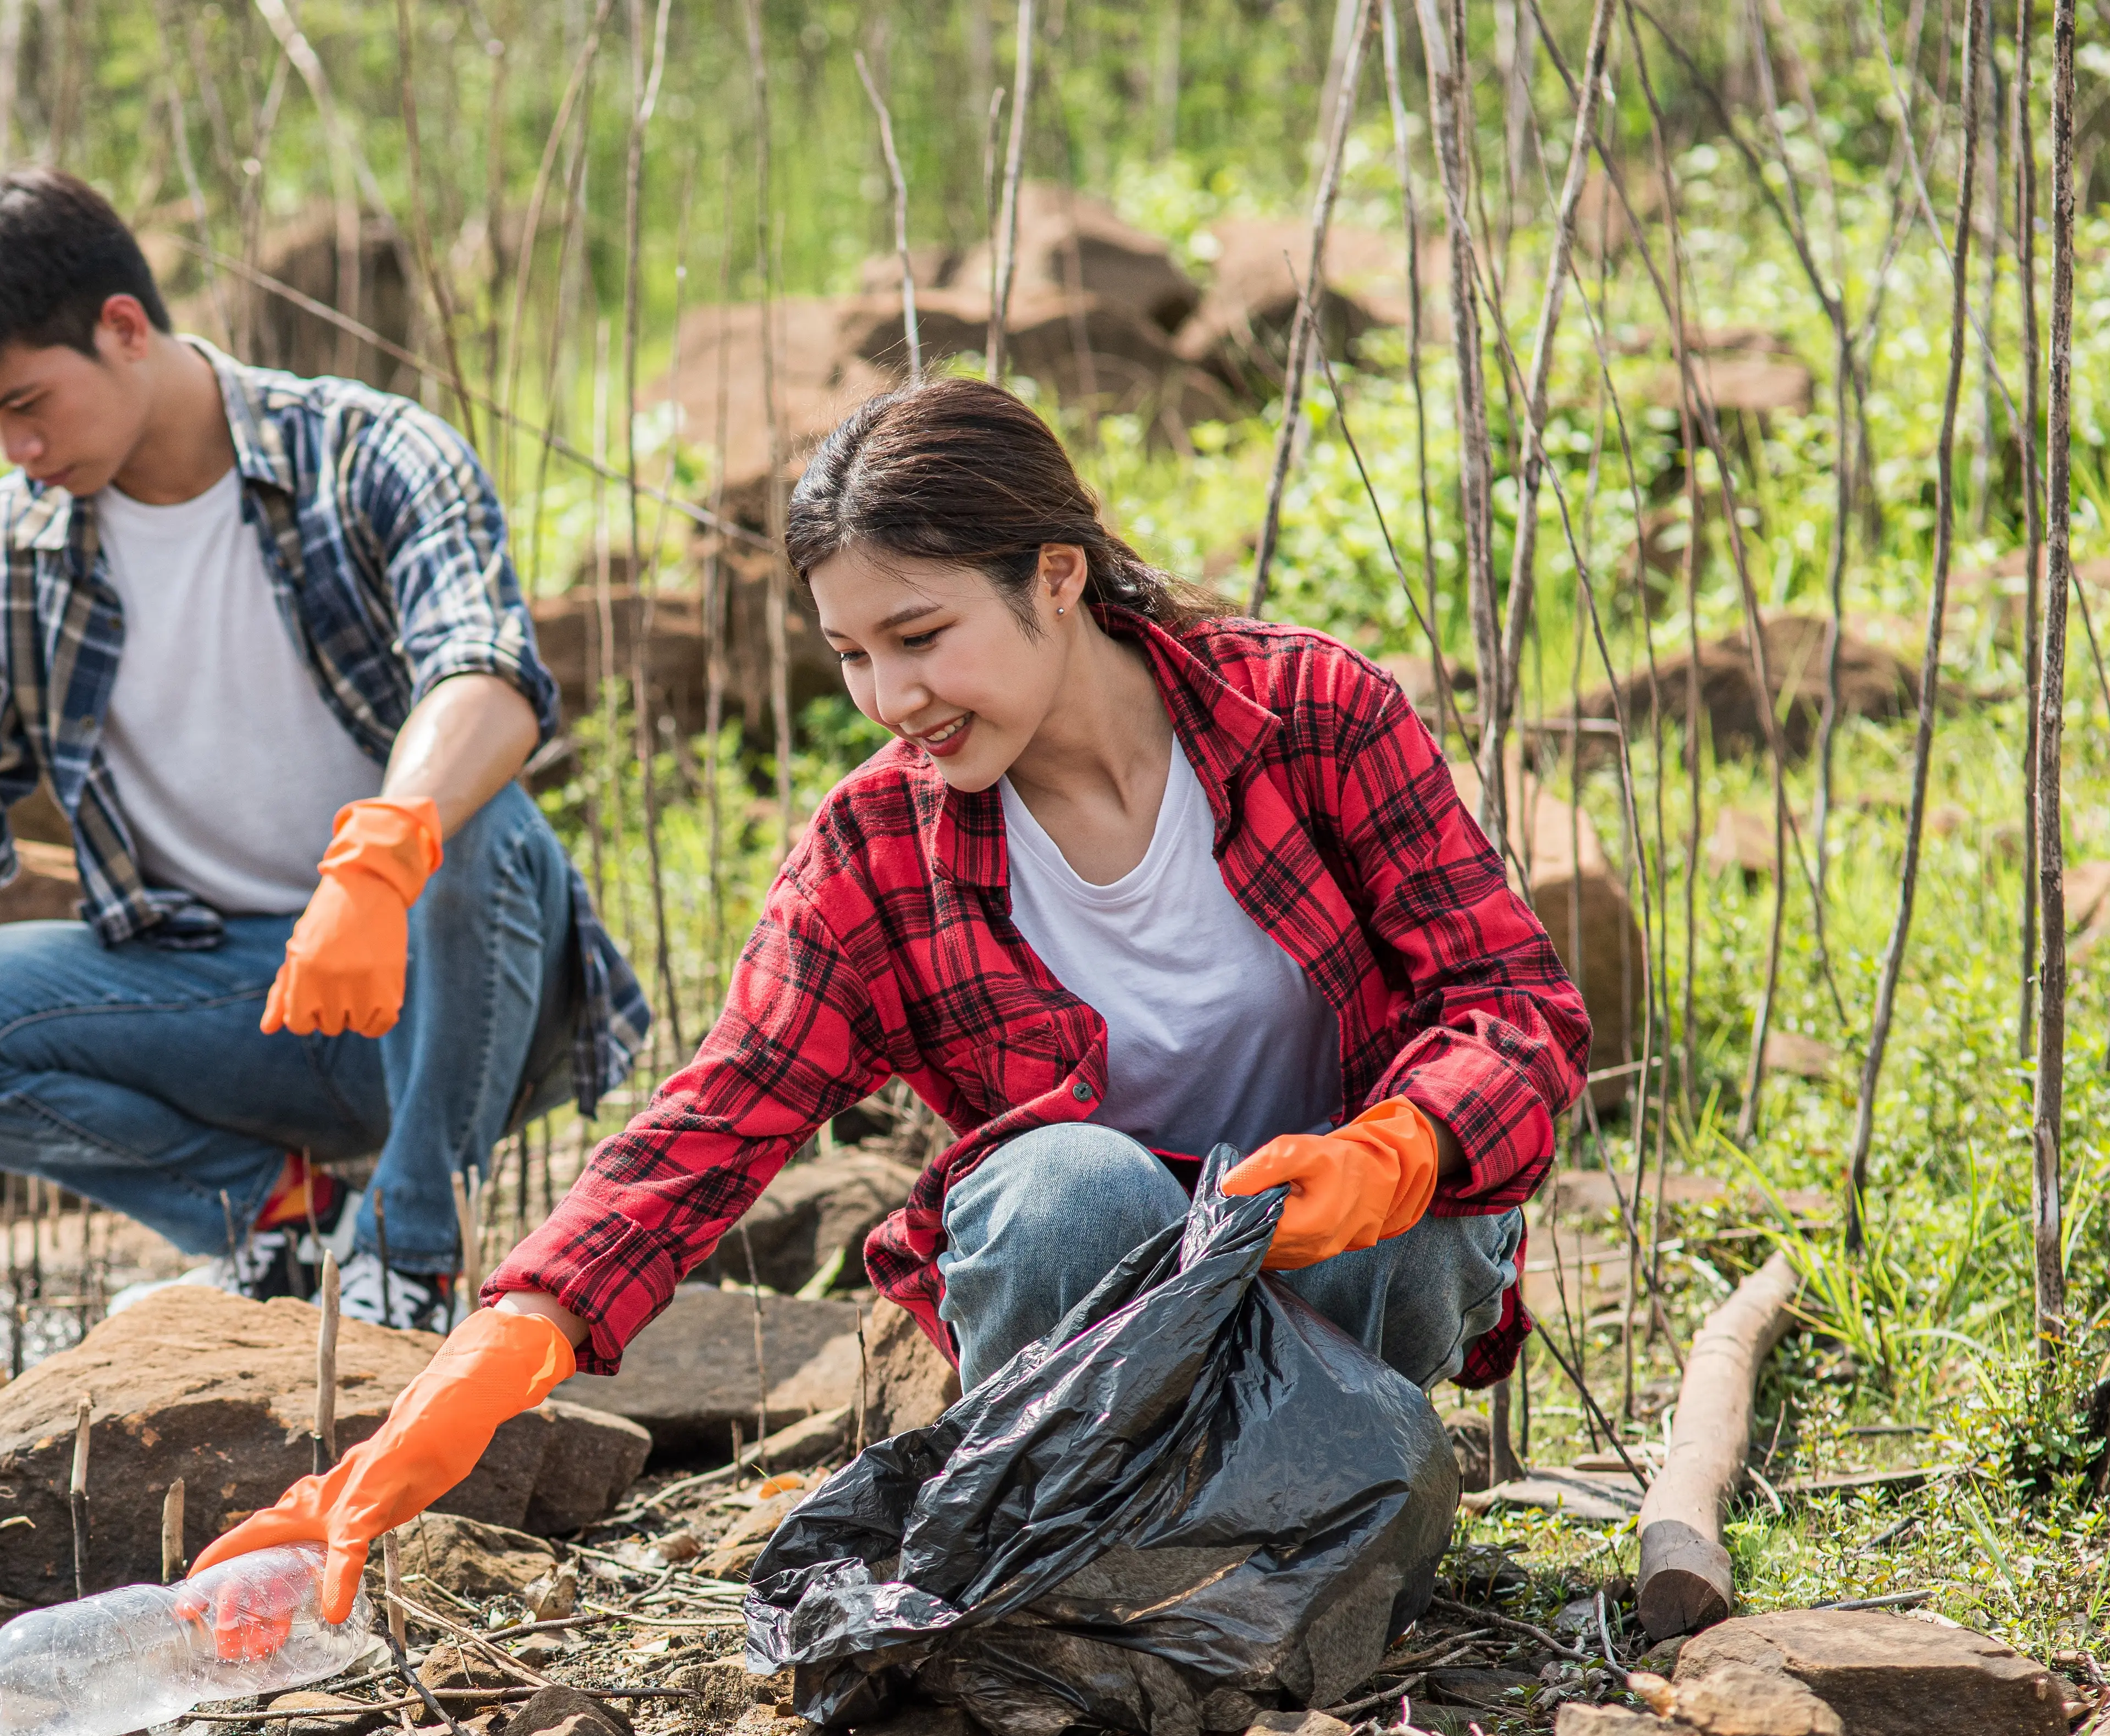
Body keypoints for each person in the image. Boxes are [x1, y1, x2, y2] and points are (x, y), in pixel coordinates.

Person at [198, 375, 1589, 1615]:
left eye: (919, 635)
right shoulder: (876, 848)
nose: (887, 696)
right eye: (851, 653)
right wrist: (462, 1388)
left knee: (1433, 1203)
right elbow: (706, 1126)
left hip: (1333, 1265)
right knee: (1066, 1186)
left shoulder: (1305, 714)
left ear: (1056, 574)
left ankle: (1323, 1533)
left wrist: (1393, 1148)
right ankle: (1088, 1568)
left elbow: (1513, 1007)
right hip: (1090, 1321)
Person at [0, 171, 647, 1333]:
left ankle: (413, 1259)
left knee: (473, 815)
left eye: (29, 402)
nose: (16, 448)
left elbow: (485, 678)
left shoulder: (372, 453)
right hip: (239, 1004)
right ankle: (281, 1230)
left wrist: (376, 864)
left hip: (456, 983)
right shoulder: (3, 554)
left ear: (124, 328)